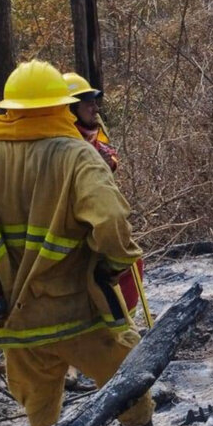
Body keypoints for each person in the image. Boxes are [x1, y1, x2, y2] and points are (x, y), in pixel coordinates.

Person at [0, 60, 185, 426]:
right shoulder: (75, 156)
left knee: (38, 394)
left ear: (10, 108)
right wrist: (116, 264)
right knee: (128, 375)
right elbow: (110, 224)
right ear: (60, 107)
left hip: (13, 316)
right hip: (79, 313)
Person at [63, 72, 143, 315]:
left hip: (94, 219)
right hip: (76, 228)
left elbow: (107, 152)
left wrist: (108, 162)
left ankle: (122, 322)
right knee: (121, 265)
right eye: (88, 102)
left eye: (94, 101)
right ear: (70, 108)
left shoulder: (90, 134)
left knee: (132, 265)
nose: (95, 108)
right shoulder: (64, 141)